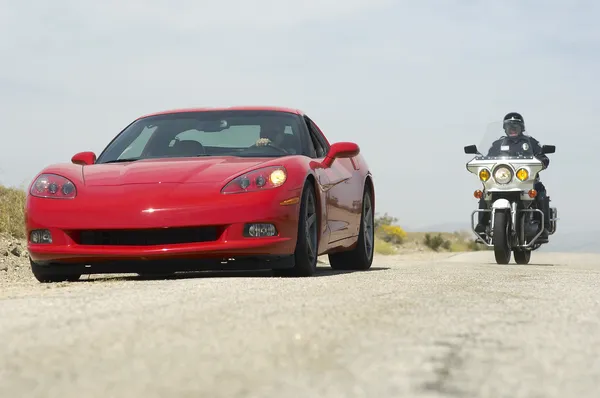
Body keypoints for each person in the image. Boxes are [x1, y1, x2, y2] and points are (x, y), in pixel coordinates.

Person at [474, 112, 551, 241]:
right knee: (485, 192)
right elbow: (487, 158)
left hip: (526, 182)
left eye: (516, 126)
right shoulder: (498, 144)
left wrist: (542, 159)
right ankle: (482, 226)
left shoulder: (530, 142)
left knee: (540, 190)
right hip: (502, 182)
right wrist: (479, 158)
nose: (513, 128)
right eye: (510, 126)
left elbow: (543, 156)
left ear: (522, 128)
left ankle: (544, 227)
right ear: (505, 128)